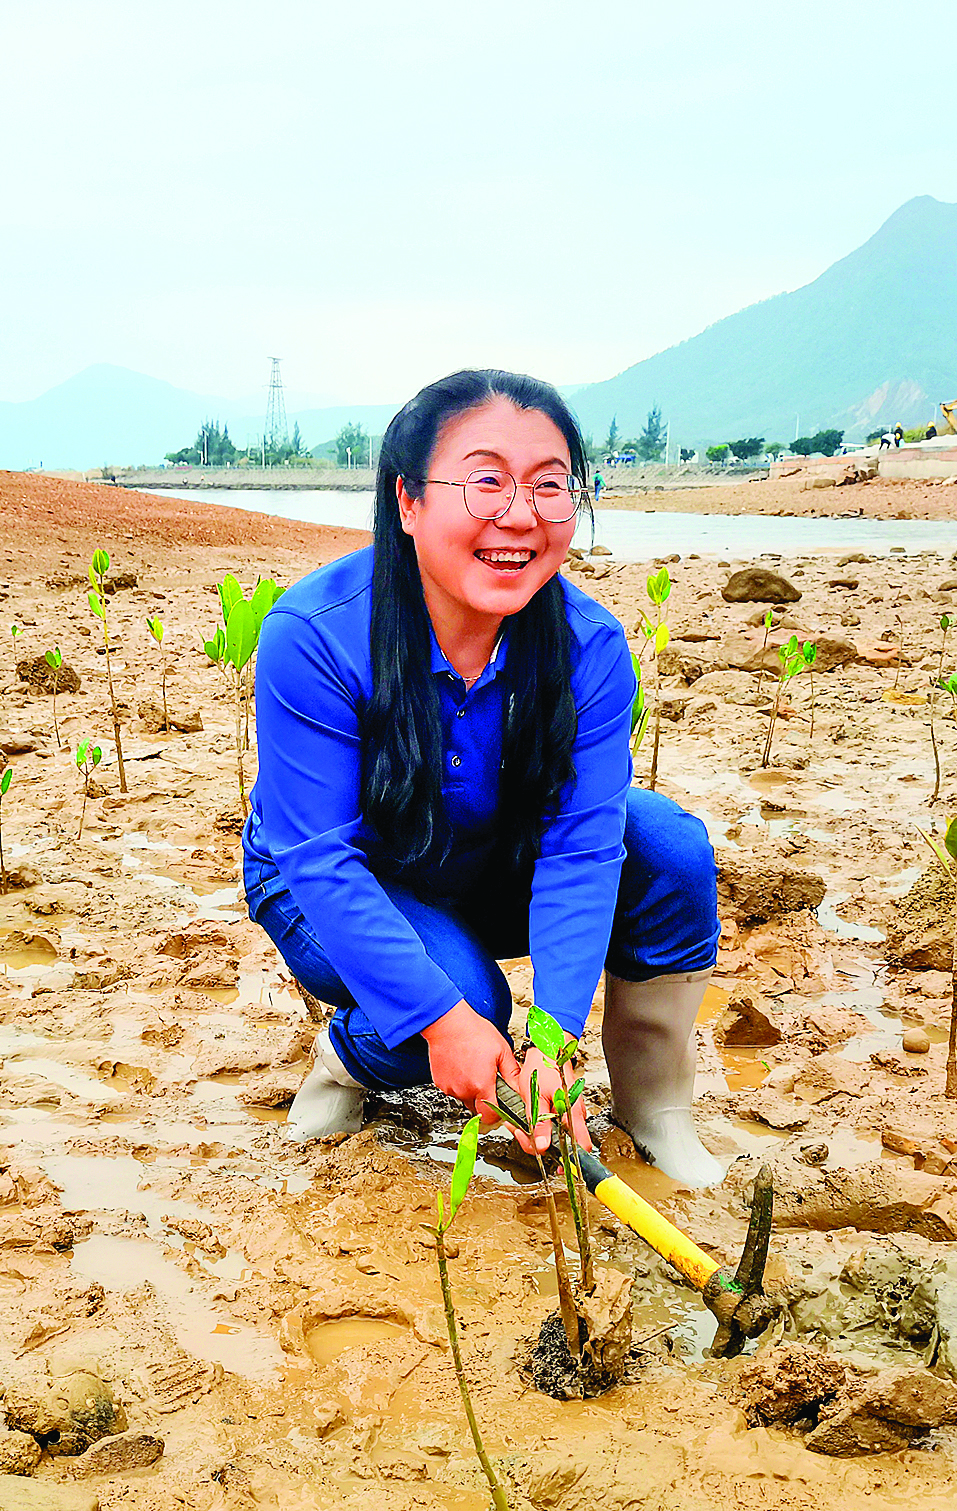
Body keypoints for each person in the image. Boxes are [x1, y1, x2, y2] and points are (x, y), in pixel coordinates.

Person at [246, 369, 726, 1187]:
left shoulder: (590, 647)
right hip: (337, 877)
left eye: (550, 485)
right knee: (464, 1001)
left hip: (490, 860)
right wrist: (445, 1023)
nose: (521, 514)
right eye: (487, 482)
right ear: (407, 500)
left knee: (667, 848)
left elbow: (580, 849)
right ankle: (345, 1061)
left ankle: (656, 1109)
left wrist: (552, 1040)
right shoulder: (315, 635)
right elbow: (320, 858)